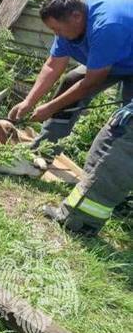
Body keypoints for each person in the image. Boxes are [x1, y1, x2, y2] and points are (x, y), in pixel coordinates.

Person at [8, 0, 133, 155]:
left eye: (57, 29)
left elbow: (91, 83)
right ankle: (43, 152)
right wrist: (29, 101)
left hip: (118, 56)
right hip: (117, 60)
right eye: (53, 30)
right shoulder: (69, 23)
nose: (57, 34)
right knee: (71, 80)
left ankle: (109, 173)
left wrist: (50, 108)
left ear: (77, 16)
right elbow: (53, 65)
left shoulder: (106, 26)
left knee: (127, 119)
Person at [43, 101, 133, 235]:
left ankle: (74, 221)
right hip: (126, 118)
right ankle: (88, 224)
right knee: (97, 162)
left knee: (110, 173)